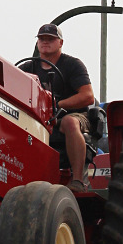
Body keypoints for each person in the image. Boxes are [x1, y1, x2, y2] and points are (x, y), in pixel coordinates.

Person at [30, 23, 96, 192]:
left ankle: (78, 181)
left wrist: (55, 104)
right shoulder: (28, 68)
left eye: (50, 39)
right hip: (39, 118)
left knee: (69, 123)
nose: (45, 42)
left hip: (73, 116)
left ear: (60, 43)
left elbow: (87, 96)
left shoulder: (73, 65)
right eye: (42, 39)